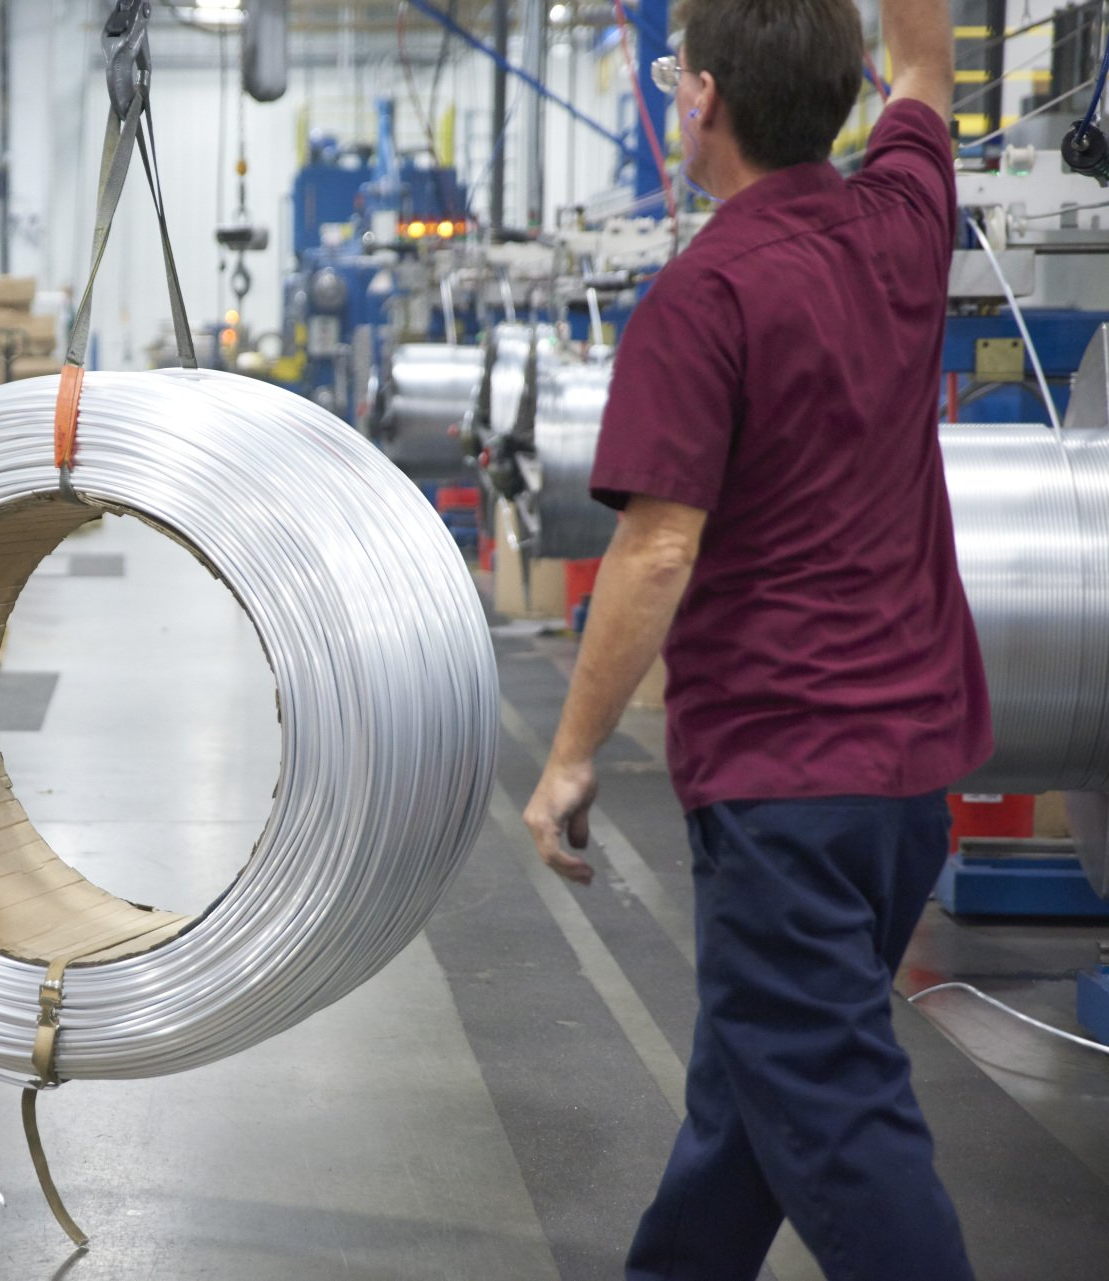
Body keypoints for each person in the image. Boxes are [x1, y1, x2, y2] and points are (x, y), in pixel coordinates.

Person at [522, 2, 994, 1278]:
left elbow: (657, 548)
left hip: (783, 782)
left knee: (835, 1120)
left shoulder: (703, 294)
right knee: (749, 1104)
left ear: (702, 100)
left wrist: (568, 758)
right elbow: (924, 63)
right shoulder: (901, 223)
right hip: (905, 787)